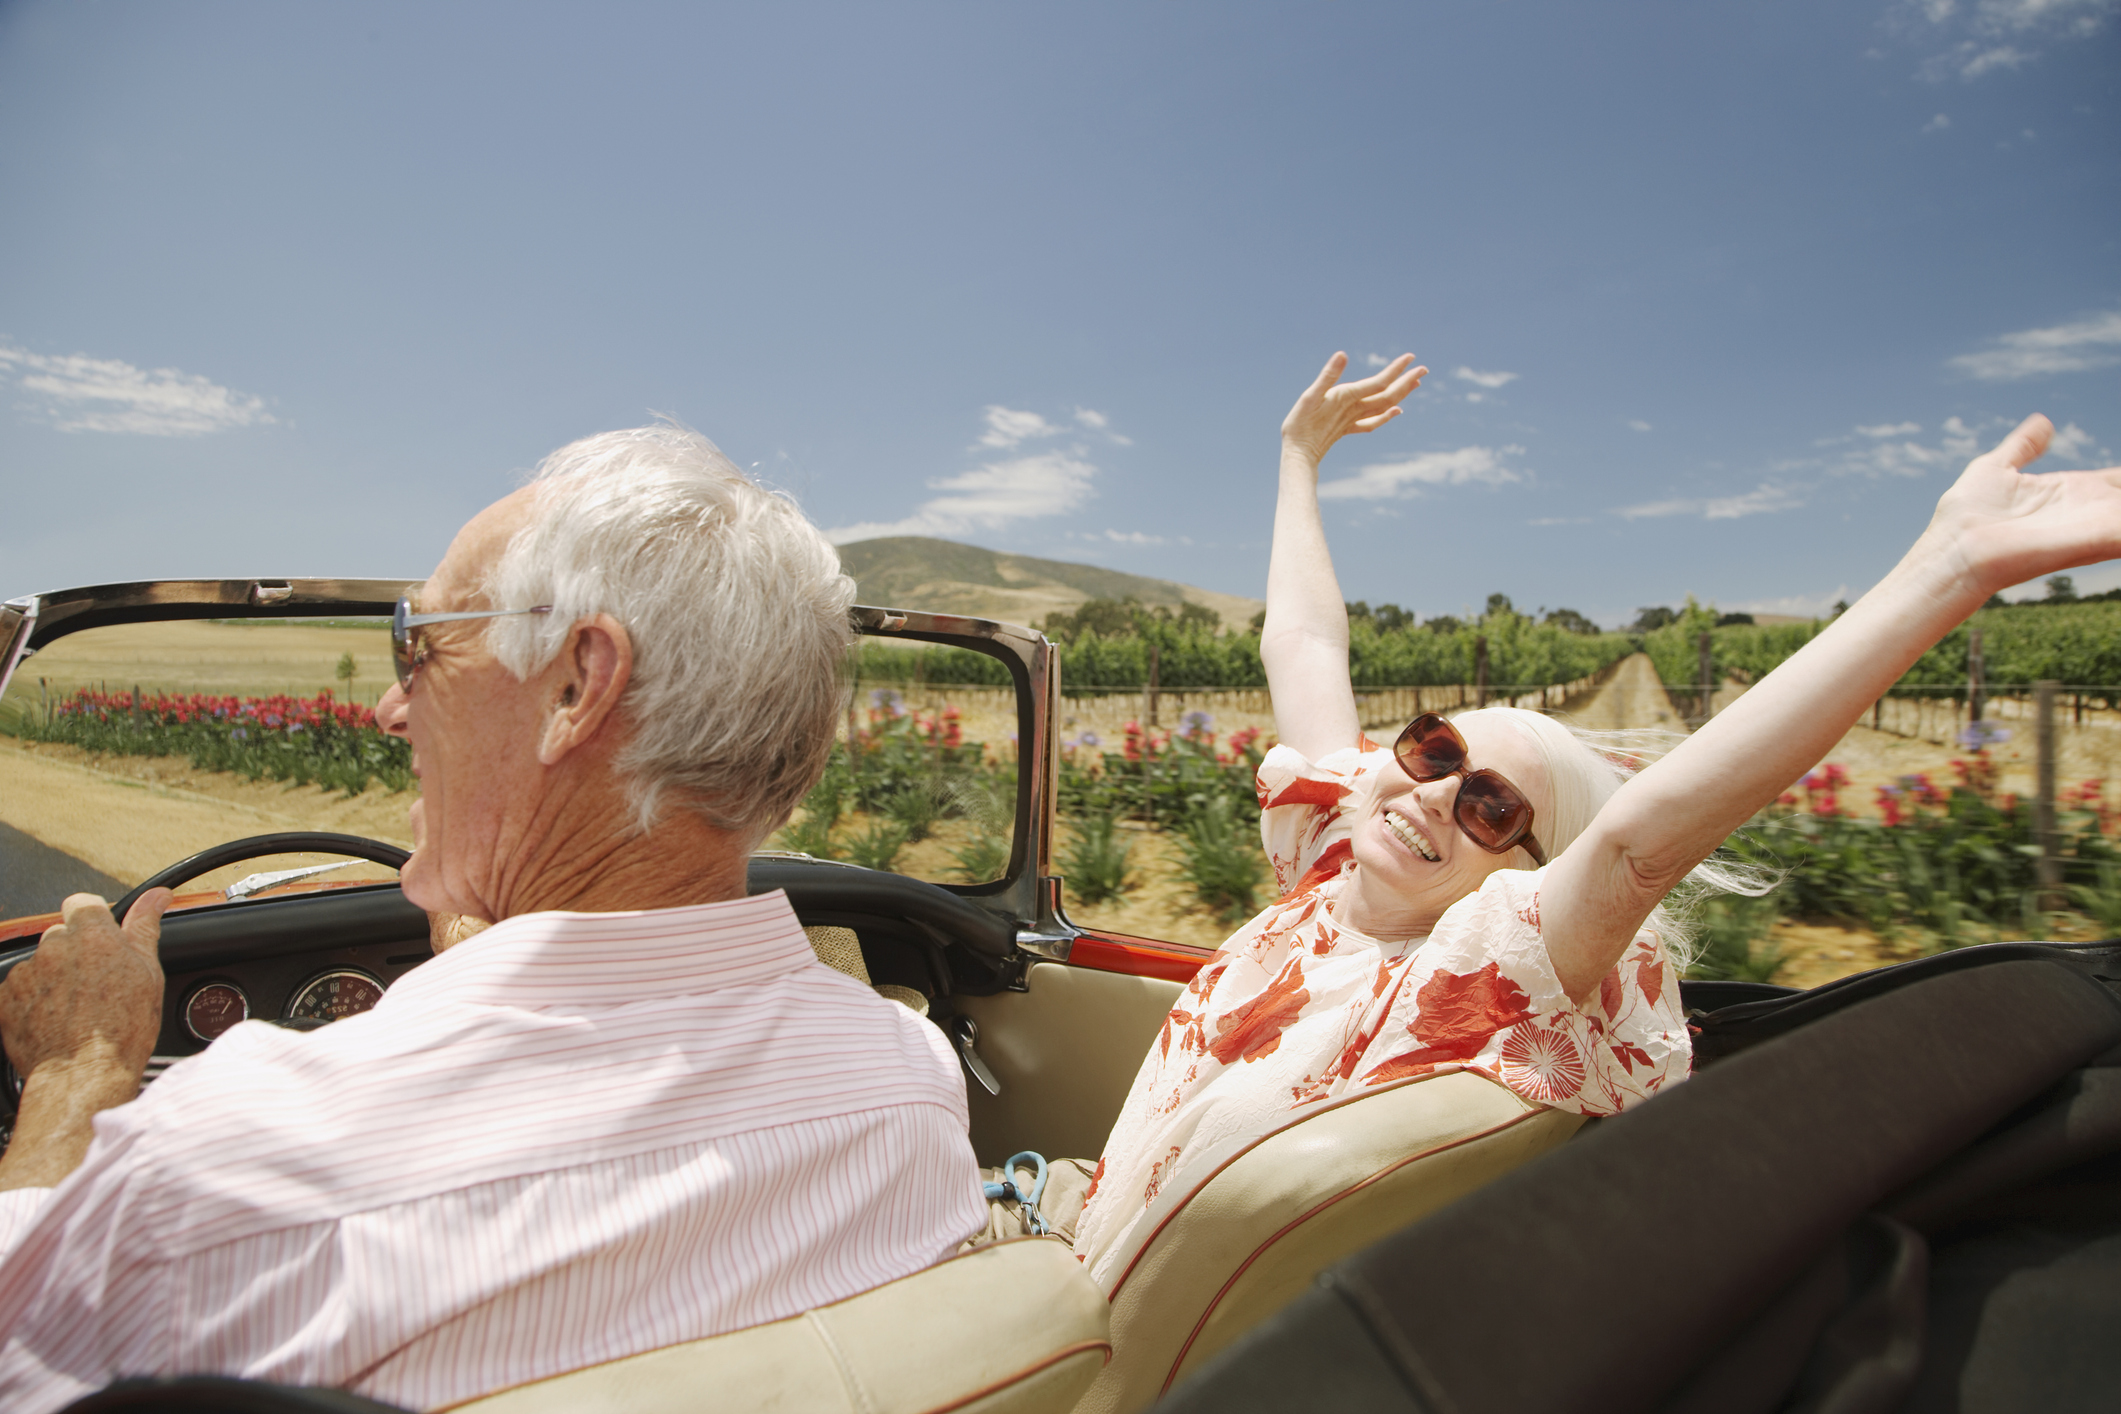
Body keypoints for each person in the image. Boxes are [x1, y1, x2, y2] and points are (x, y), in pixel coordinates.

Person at [1056, 353, 2121, 1279]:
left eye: (1487, 804)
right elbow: (1303, 643)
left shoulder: (1461, 975)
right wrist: (1298, 455)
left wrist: (1951, 568)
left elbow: (1635, 844)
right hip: (1075, 1244)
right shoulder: (1334, 863)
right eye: (1433, 750)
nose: (1433, 791)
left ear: (1520, 875)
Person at [0, 426, 987, 1411]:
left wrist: (72, 1070)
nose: (391, 705)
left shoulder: (232, 1169)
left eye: (418, 641)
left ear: (574, 685)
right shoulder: (910, 1088)